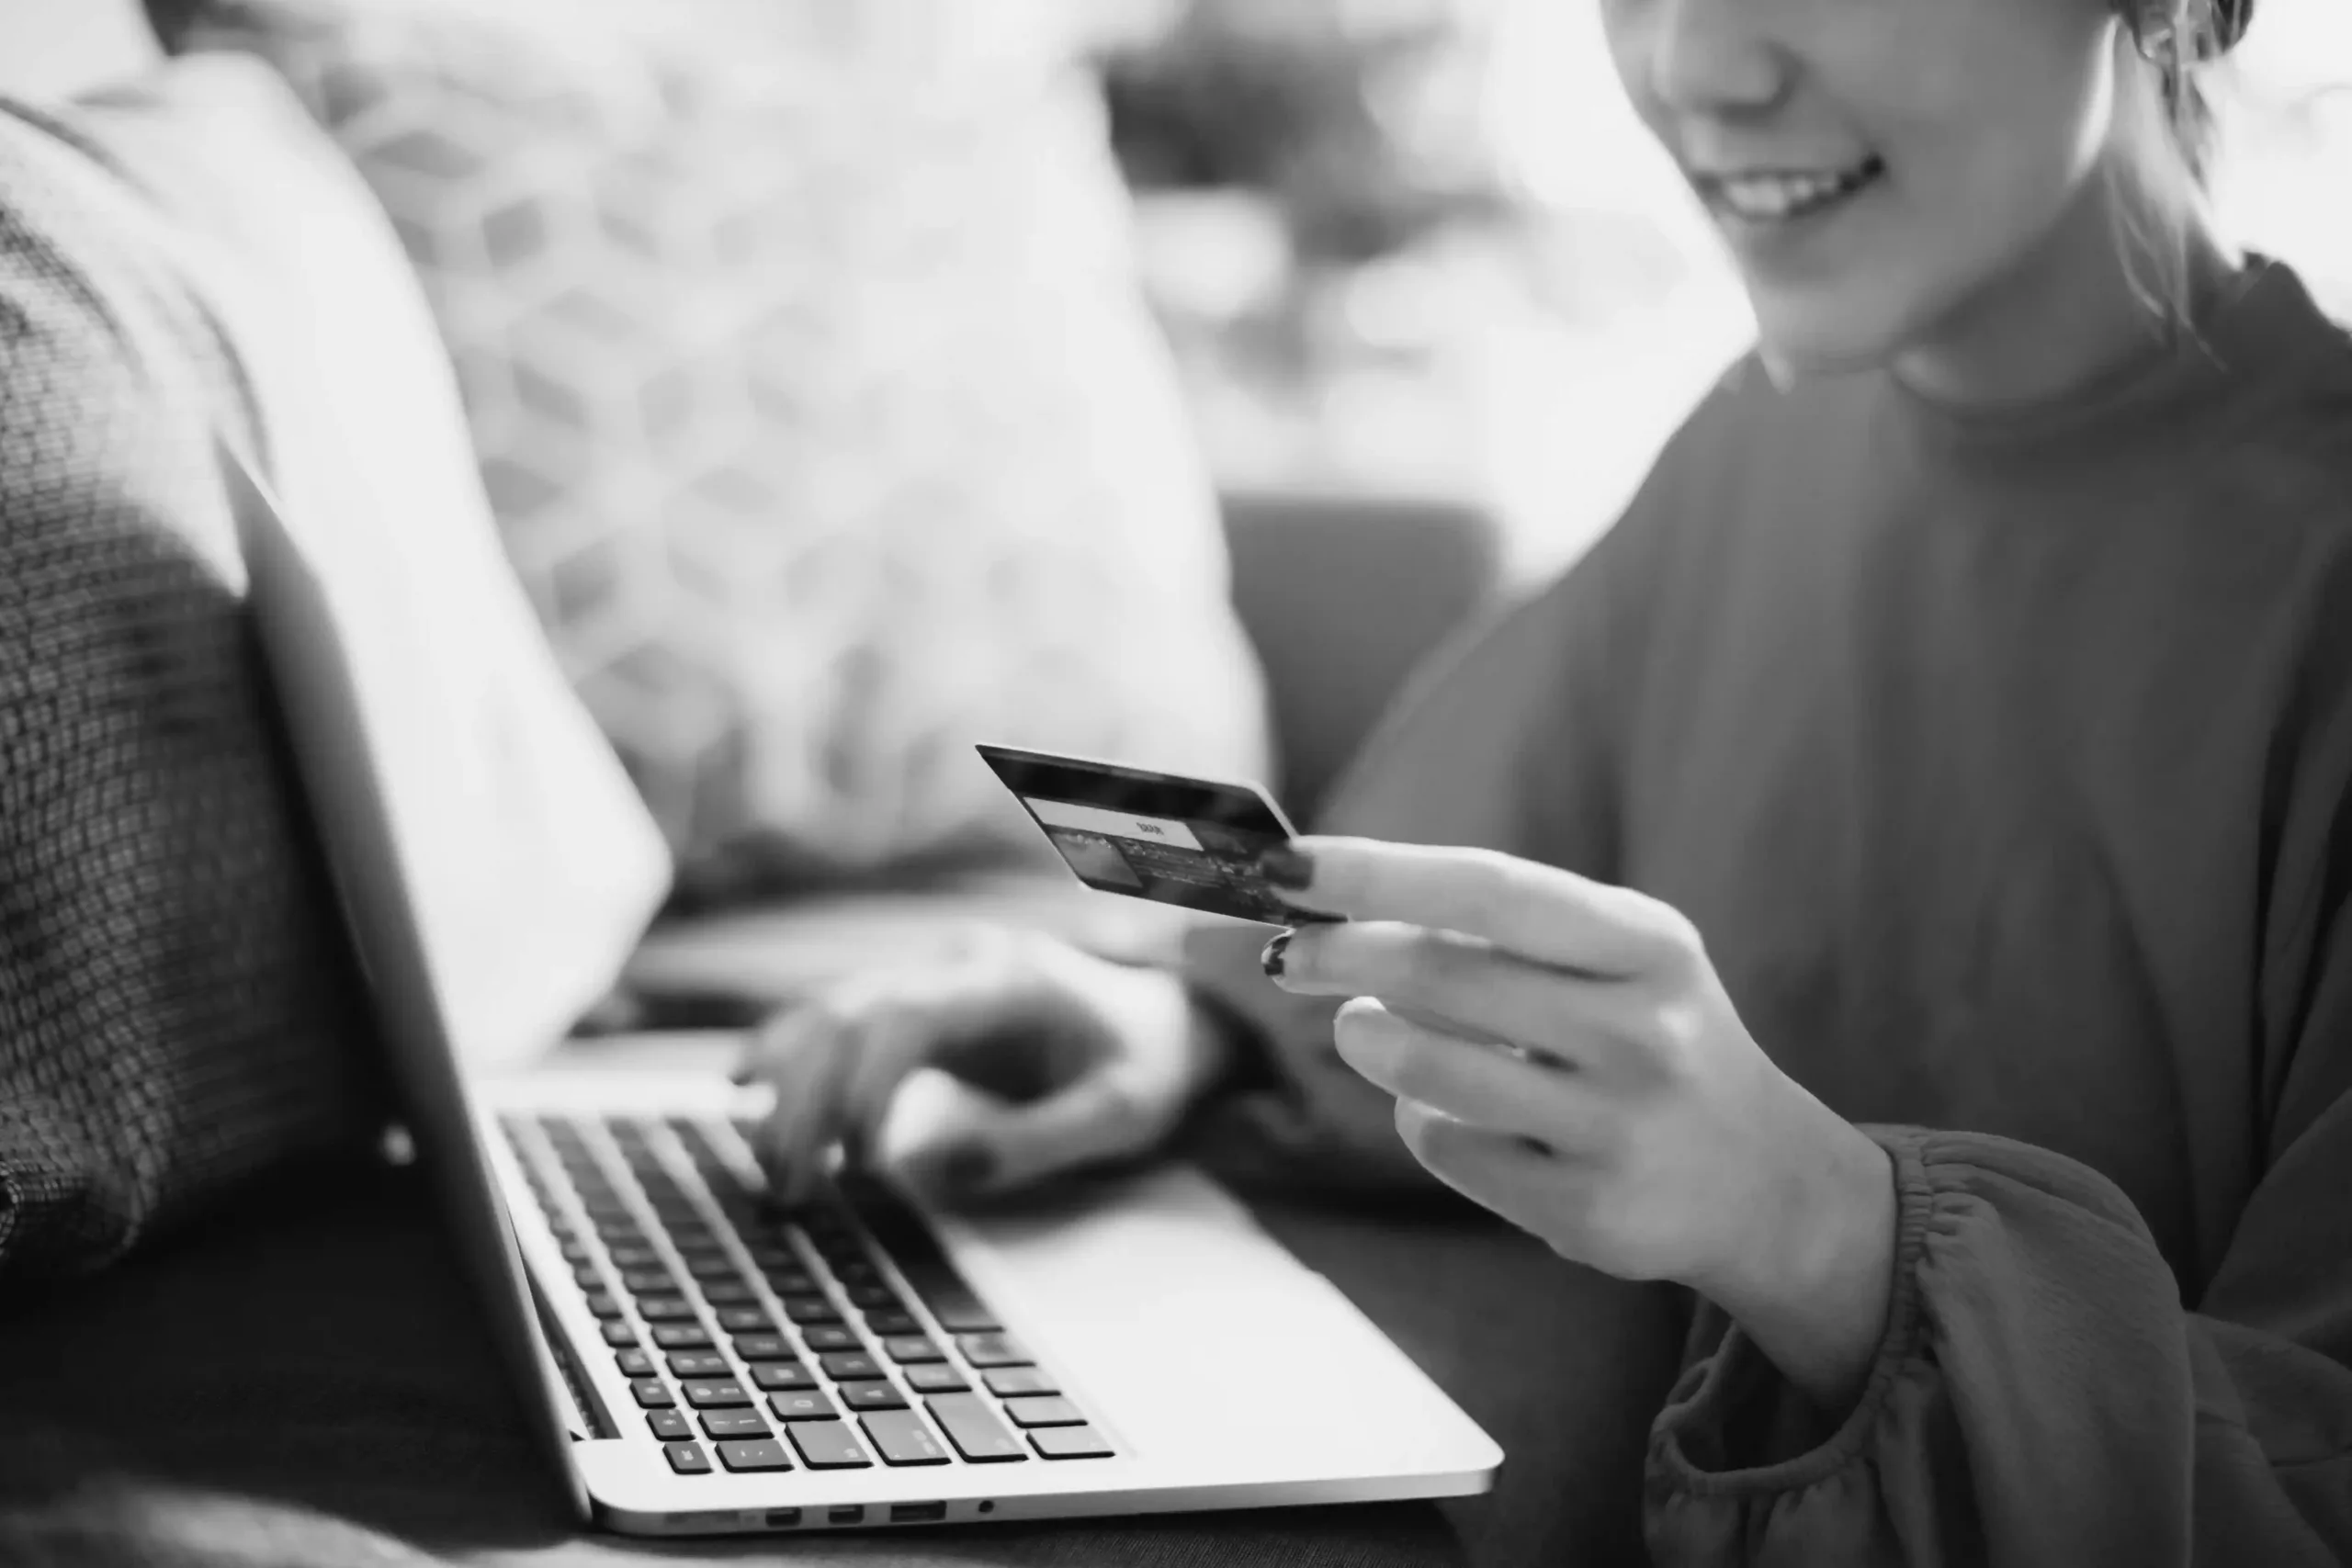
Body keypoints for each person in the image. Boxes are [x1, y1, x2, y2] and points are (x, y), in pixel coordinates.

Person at [733, 0, 2352, 1559]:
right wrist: (1171, 1020)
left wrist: (1816, 1226)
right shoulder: (1757, 445)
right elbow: (1451, 885)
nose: (1692, 62)